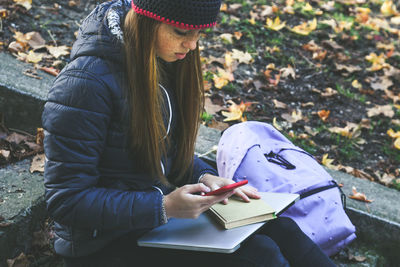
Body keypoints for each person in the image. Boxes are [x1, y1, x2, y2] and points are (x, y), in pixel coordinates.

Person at [42, 0, 336, 266]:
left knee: (280, 227)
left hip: (155, 222)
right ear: (147, 19)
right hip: (104, 246)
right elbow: (66, 200)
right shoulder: (85, 86)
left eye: (199, 34)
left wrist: (205, 178)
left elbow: (157, 155)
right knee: (259, 256)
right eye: (182, 32)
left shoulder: (162, 58)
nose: (192, 46)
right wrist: (164, 206)